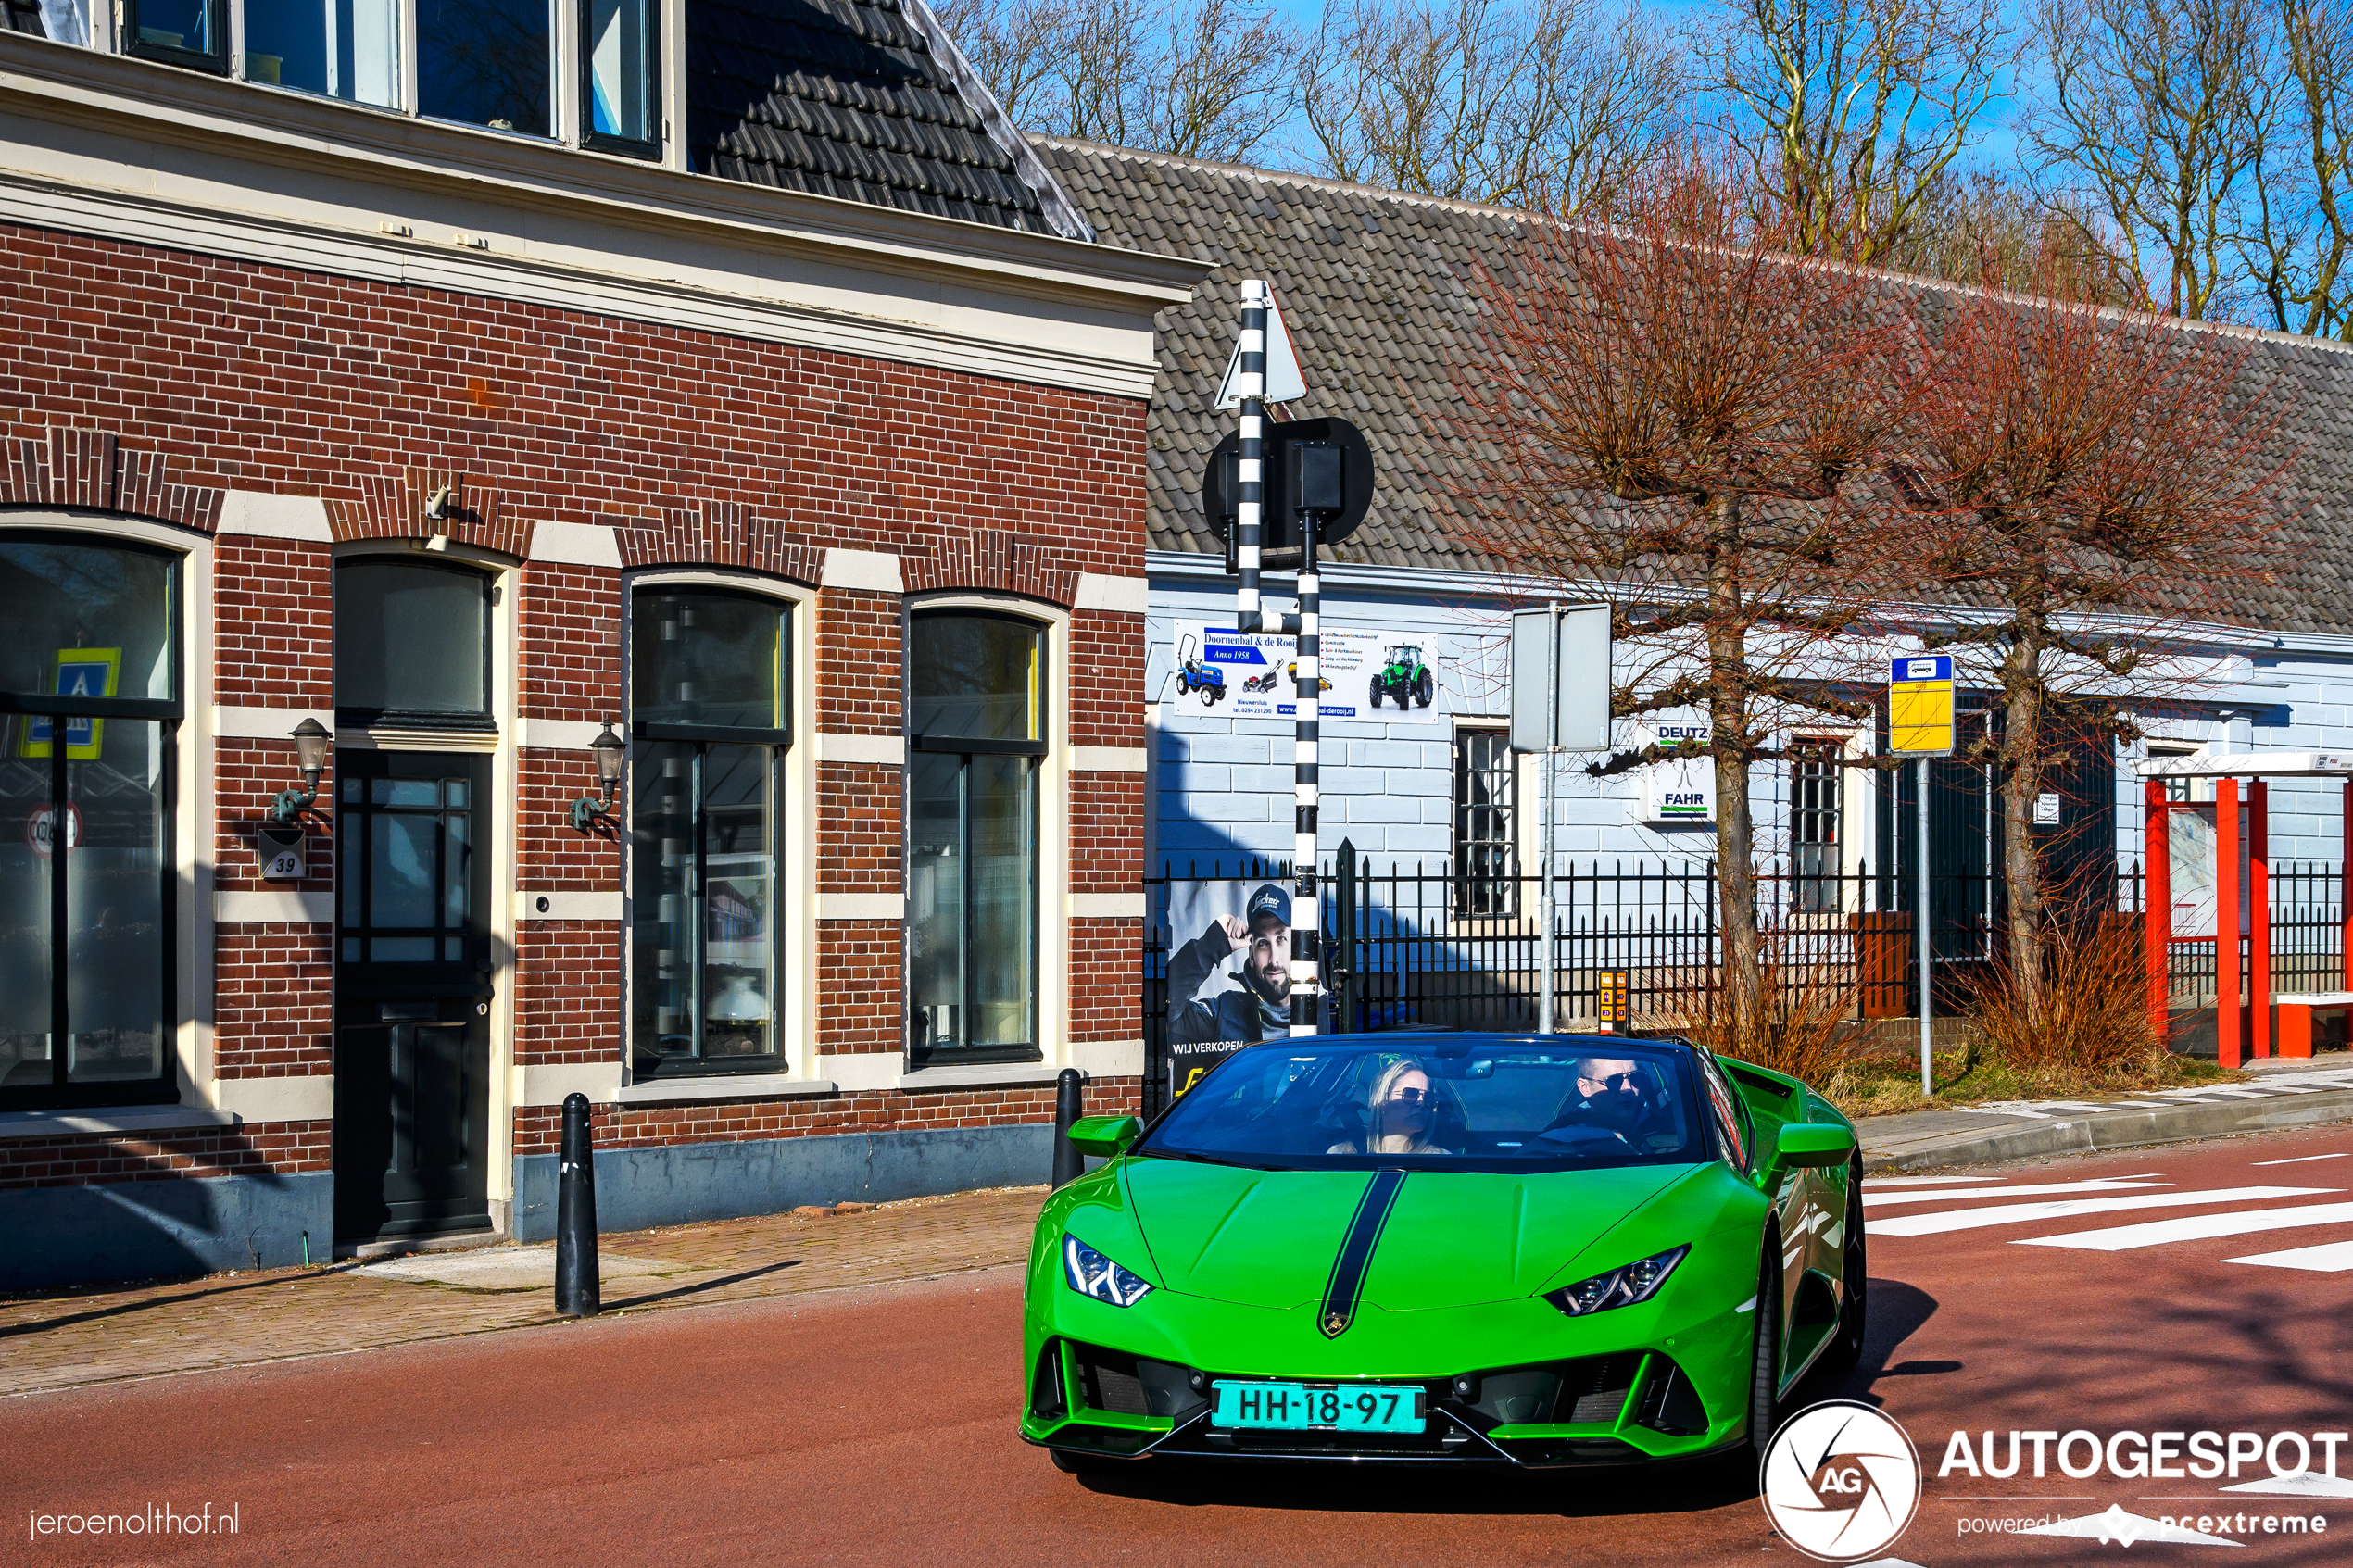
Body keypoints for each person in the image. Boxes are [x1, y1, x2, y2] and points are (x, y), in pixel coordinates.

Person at [1166, 883, 1293, 1045]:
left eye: (1281, 939)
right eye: (1263, 943)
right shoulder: (1223, 1014)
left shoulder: (1321, 1014)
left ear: (1296, 948)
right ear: (1251, 956)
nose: (1274, 959)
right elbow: (1163, 1017)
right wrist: (1211, 945)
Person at [1328, 1056, 1453, 1155]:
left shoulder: (1441, 1161)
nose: (1421, 1103)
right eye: (1410, 1094)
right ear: (1383, 1101)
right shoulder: (1341, 1154)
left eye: (1429, 1097)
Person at [1546, 1056, 1654, 1142]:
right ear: (1585, 1087)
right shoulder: (1563, 1140)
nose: (1627, 1088)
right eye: (1614, 1081)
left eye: (1636, 1077)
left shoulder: (1665, 1127)